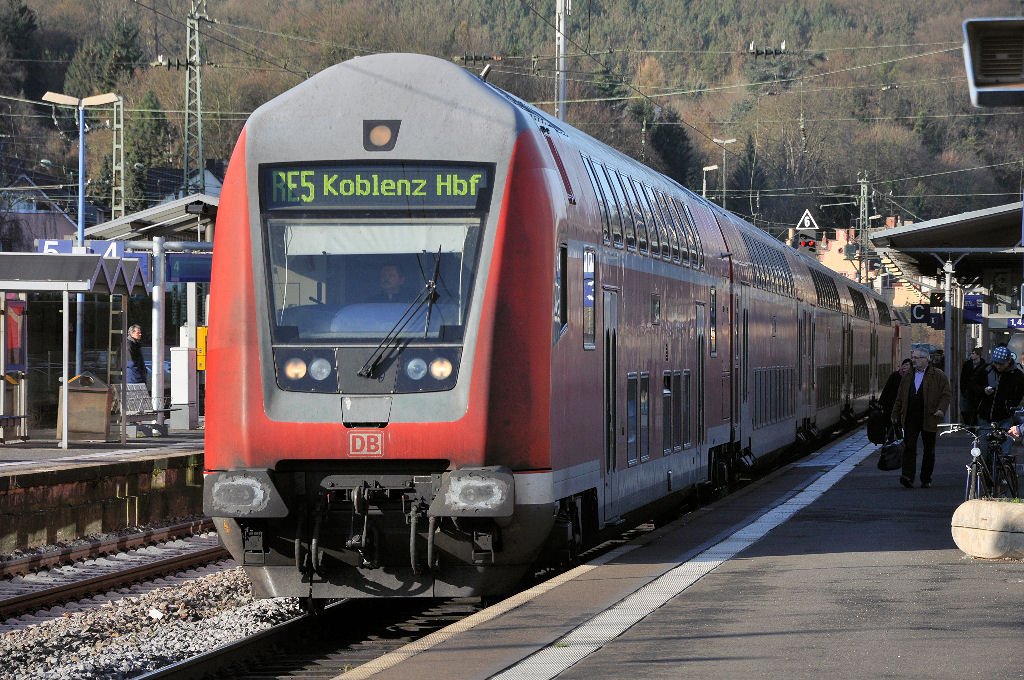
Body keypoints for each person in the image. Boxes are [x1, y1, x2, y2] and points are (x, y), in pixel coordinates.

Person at [891, 348, 952, 489]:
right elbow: (900, 396)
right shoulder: (908, 375)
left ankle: (926, 478)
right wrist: (895, 413)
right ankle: (907, 476)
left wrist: (941, 409)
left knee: (929, 449)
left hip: (929, 416)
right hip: (911, 416)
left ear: (926, 359)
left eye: (917, 358)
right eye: (912, 357)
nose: (913, 360)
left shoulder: (937, 375)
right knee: (909, 447)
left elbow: (946, 394)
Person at [976, 345, 1024, 470]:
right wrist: (983, 391)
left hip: (1005, 417)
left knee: (1005, 449)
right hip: (985, 416)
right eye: (996, 363)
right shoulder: (986, 370)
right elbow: (971, 387)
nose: (998, 366)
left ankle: (1004, 474)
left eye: (1001, 364)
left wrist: (1011, 405)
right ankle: (986, 475)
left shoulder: (1017, 375)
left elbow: (1020, 394)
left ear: (1009, 361)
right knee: (984, 449)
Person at [959, 347, 987, 427]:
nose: (971, 355)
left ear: (978, 355)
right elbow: (963, 377)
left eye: (973, 353)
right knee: (965, 409)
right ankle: (969, 424)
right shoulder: (967, 364)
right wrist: (963, 389)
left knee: (974, 410)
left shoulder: (983, 365)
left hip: (977, 392)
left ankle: (973, 425)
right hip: (967, 391)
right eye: (971, 353)